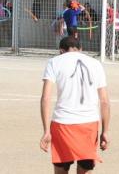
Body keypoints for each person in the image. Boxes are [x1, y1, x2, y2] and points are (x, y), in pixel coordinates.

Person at [40, 36, 110, 174]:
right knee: (85, 169)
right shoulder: (95, 64)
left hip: (62, 124)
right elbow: (104, 101)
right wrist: (105, 132)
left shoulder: (54, 62)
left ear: (61, 51)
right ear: (80, 49)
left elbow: (45, 98)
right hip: (88, 124)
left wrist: (46, 131)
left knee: (61, 170)